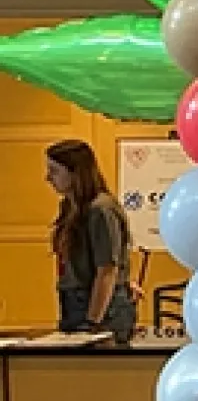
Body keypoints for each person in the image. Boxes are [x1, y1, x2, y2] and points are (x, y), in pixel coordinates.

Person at [44, 139, 137, 344]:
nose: (48, 178)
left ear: (75, 172)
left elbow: (107, 269)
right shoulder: (70, 208)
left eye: (54, 171)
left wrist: (92, 322)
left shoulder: (100, 209)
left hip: (100, 309)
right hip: (74, 302)